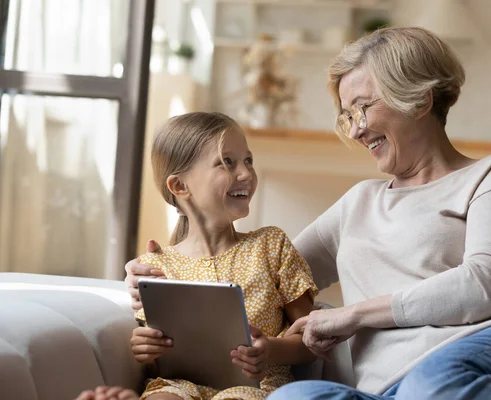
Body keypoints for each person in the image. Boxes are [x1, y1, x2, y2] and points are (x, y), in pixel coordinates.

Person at [125, 28, 491, 400]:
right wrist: (159, 276)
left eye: (362, 107)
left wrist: (354, 316)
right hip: (391, 389)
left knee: (433, 384)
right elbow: (254, 275)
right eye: (346, 115)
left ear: (419, 98)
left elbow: (486, 284)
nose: (355, 130)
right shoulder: (360, 202)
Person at [79, 112, 318, 400]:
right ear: (180, 187)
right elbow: (160, 361)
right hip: (179, 385)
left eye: (248, 160)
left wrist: (270, 349)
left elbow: (312, 338)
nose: (246, 173)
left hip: (255, 388)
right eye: (226, 162)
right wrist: (147, 350)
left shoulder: (271, 245)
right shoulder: (157, 267)